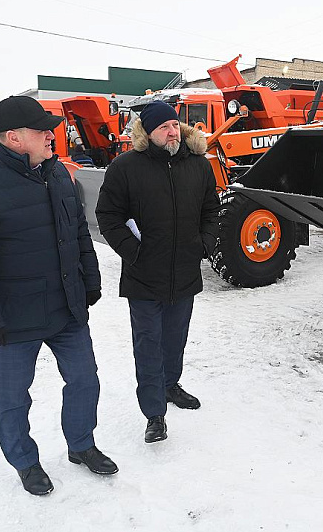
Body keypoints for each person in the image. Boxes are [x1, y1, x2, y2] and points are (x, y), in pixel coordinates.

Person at [0, 95, 117, 496]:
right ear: (14, 137)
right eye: (43, 131)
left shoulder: (58, 174)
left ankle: (81, 445)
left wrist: (90, 281)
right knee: (12, 399)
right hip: (12, 318)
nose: (51, 136)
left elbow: (79, 233)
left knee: (84, 381)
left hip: (65, 307)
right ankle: (25, 461)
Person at [96, 100, 220, 443]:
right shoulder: (125, 167)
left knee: (175, 338)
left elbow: (211, 210)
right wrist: (133, 252)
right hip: (144, 276)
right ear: (147, 133)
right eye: (163, 127)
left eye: (175, 125)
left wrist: (204, 244)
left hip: (184, 271)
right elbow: (108, 215)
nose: (172, 131)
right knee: (148, 344)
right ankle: (154, 413)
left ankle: (170, 384)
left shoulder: (198, 165)